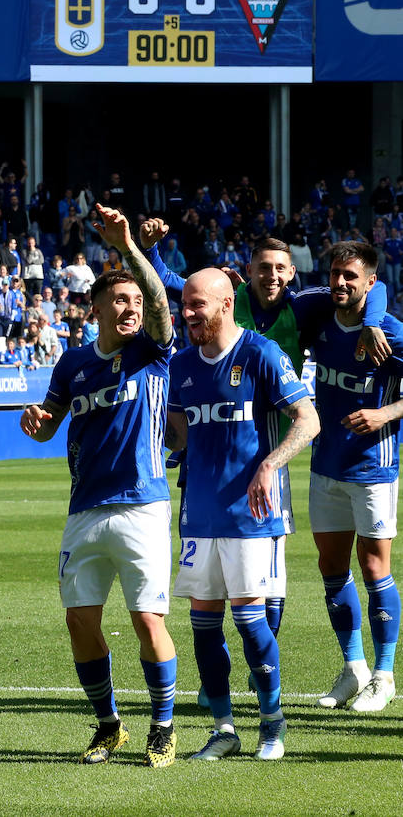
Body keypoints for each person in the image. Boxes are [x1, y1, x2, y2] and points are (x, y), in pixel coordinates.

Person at [20, 205, 180, 768]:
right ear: (96, 308)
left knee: (146, 619)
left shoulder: (153, 353)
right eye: (120, 299)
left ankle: (163, 726)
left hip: (143, 505)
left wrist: (129, 248)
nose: (132, 306)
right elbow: (49, 423)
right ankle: (110, 724)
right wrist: (37, 422)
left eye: (136, 299)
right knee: (79, 620)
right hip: (84, 509)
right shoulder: (72, 363)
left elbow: (163, 303)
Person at [166, 269, 318, 761]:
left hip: (252, 516)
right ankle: (224, 729)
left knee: (251, 624)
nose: (187, 315)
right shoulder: (181, 365)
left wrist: (271, 464)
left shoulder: (261, 354)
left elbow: (308, 419)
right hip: (198, 518)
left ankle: (272, 724)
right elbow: (176, 429)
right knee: (203, 628)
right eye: (184, 305)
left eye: (197, 306)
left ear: (227, 303)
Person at [298, 243, 401, 712]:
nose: (341, 283)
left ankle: (385, 674)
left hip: (373, 467)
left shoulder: (390, 331)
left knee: (374, 568)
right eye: (336, 274)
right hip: (326, 466)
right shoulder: (320, 317)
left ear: (371, 282)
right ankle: (354, 668)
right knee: (331, 568)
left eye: (351, 277)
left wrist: (386, 414)